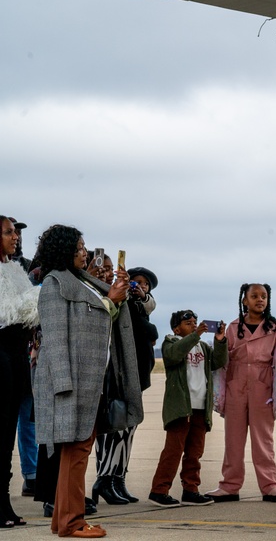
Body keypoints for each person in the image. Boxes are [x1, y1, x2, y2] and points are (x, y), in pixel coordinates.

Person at [33, 225, 144, 538]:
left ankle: (63, 521)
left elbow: (99, 316)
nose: (85, 251)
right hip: (71, 384)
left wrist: (115, 297)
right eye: (80, 246)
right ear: (66, 249)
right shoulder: (55, 283)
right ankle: (72, 522)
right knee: (75, 452)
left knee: (77, 451)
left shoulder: (81, 282)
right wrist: (63, 387)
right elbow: (54, 340)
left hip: (90, 381)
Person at [208, 283, 276, 503]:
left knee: (263, 439)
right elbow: (221, 362)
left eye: (263, 296)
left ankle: (270, 485)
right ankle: (229, 486)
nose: (260, 300)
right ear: (244, 300)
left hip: (262, 387)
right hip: (236, 386)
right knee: (233, 439)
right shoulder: (233, 328)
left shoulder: (274, 329)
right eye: (254, 296)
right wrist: (219, 395)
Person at [91, 266, 160, 505]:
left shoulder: (141, 305)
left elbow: (149, 319)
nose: (139, 286)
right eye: (135, 282)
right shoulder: (124, 302)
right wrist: (151, 330)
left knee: (127, 430)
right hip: (118, 375)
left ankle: (118, 478)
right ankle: (105, 478)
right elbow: (148, 331)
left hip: (136, 376)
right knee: (114, 429)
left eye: (145, 284)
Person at [149, 310, 227, 507]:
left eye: (195, 322)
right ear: (176, 328)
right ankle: (159, 490)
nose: (193, 325)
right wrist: (196, 335)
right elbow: (173, 356)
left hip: (200, 407)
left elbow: (219, 362)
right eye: (188, 323)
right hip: (180, 407)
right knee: (173, 451)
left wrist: (219, 340)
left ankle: (191, 490)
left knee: (195, 452)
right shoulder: (171, 342)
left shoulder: (202, 346)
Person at [0, 216, 40, 528]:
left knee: (7, 437)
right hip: (1, 354)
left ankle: (4, 504)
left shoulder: (14, 268)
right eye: (9, 232)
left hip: (16, 357)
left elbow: (27, 311)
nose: (16, 237)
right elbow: (11, 312)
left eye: (15, 232)